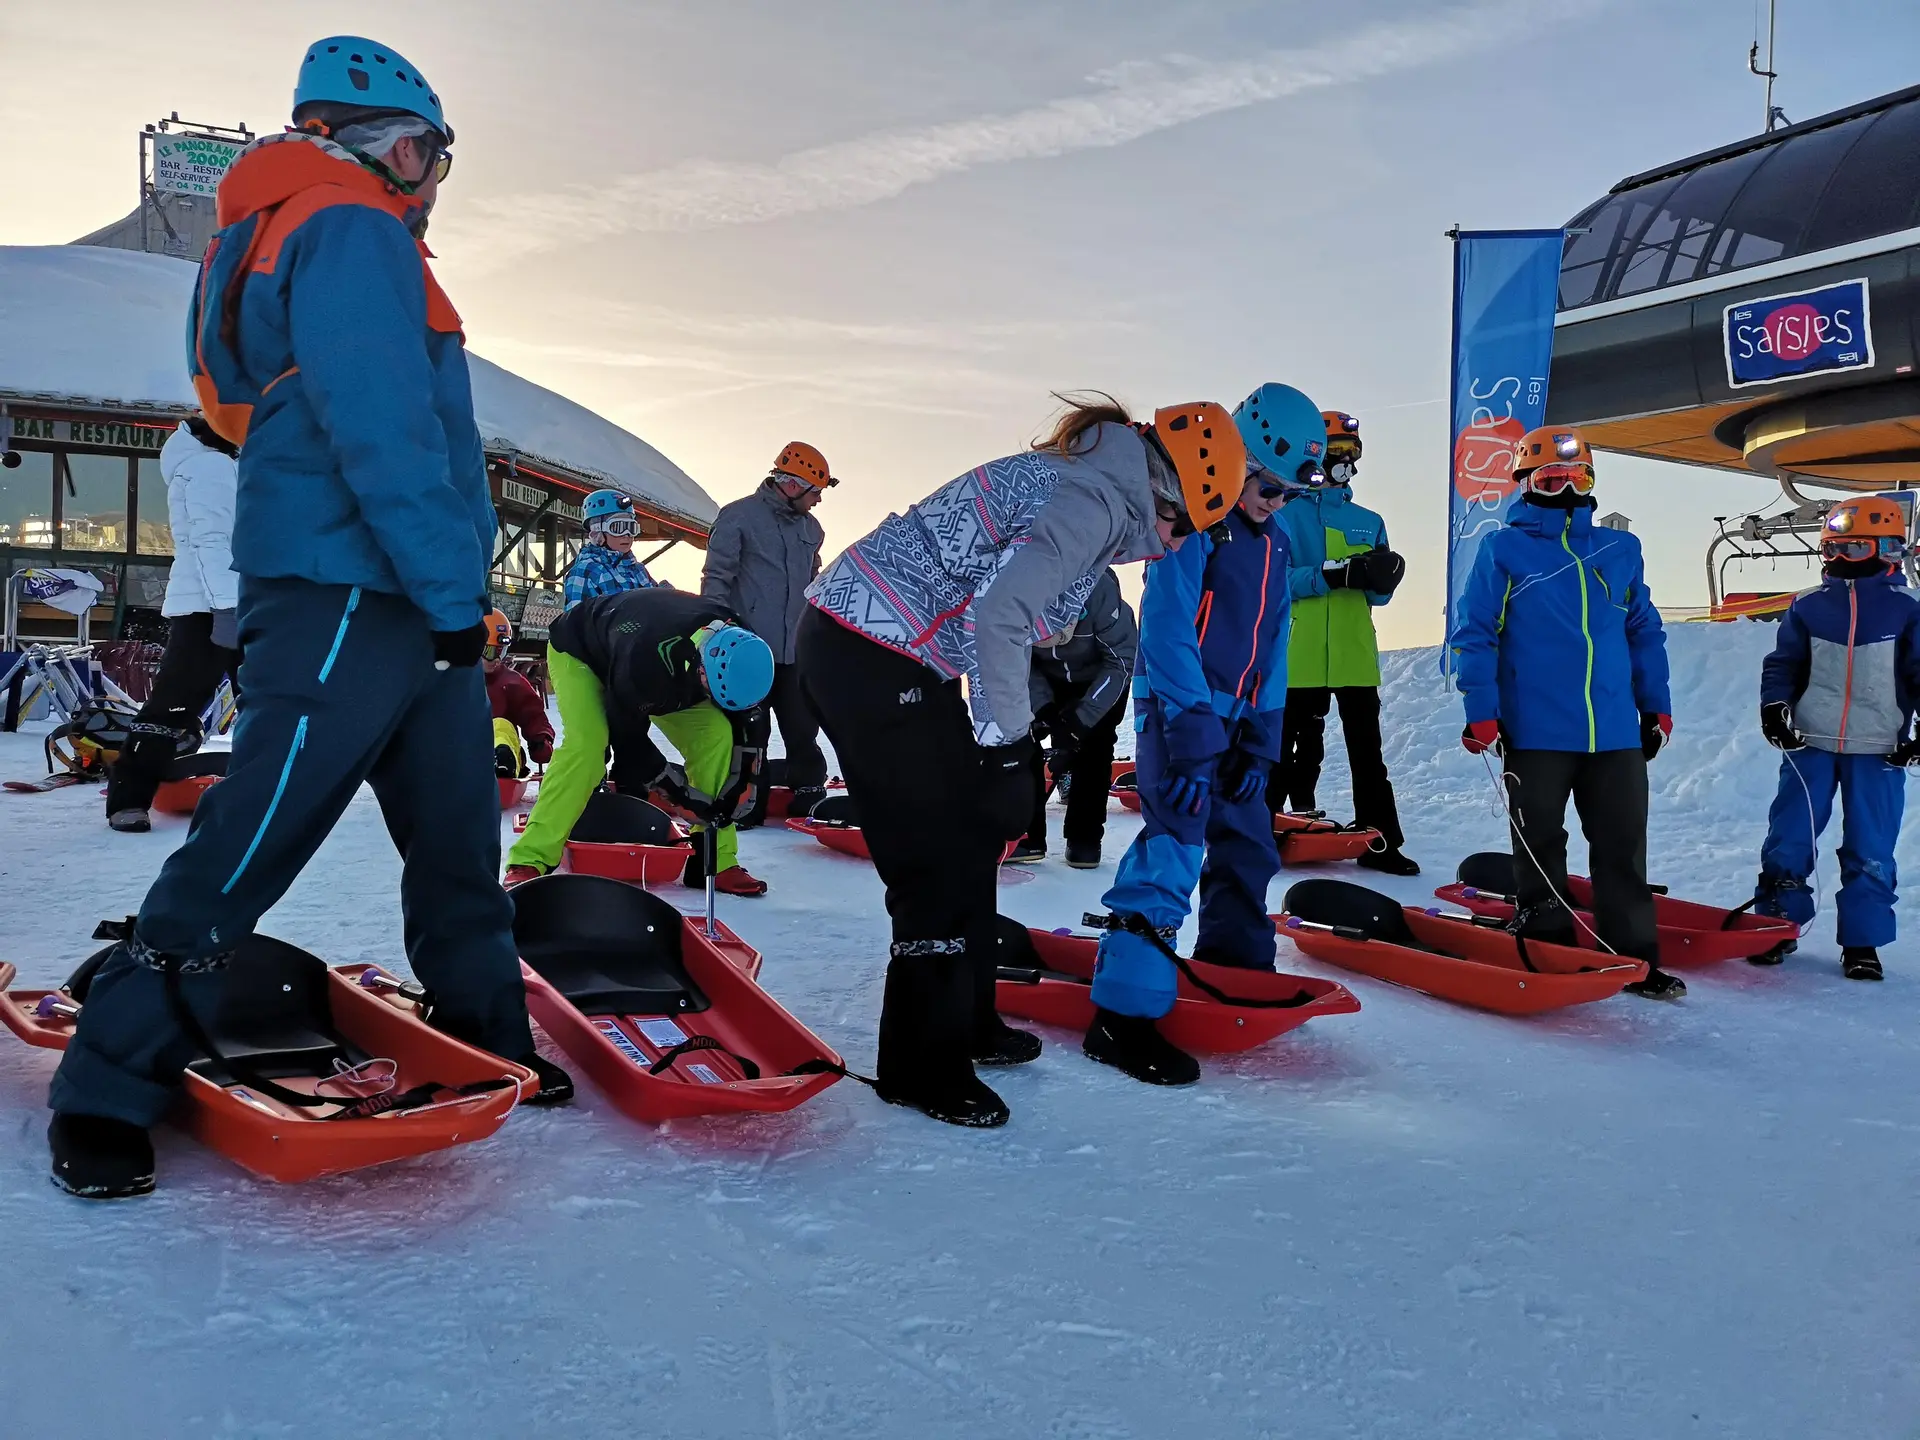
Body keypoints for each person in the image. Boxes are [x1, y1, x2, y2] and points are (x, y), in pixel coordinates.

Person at [45, 35, 573, 1200]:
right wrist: (448, 597)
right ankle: (108, 1080)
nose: (434, 179)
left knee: (454, 836)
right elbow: (378, 428)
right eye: (430, 153)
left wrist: (453, 605)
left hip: (403, 594)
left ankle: (488, 1030)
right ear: (387, 143)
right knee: (259, 830)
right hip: (351, 586)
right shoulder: (343, 225)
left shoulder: (308, 225)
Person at [801, 393, 1239, 1127]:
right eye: (1178, 525)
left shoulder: (1090, 482)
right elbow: (995, 614)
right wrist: (1007, 746)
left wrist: (1021, 709)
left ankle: (968, 1021)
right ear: (1164, 488)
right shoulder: (1093, 499)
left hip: (898, 650)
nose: (1167, 546)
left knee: (973, 837)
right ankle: (919, 1064)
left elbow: (1009, 598)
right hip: (866, 649)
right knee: (932, 857)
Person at [1087, 384, 1311, 1087]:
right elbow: (1166, 626)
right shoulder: (1197, 528)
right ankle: (1121, 1016)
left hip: (1239, 725)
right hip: (1179, 717)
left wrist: (1263, 736)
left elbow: (1275, 645)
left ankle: (1231, 973)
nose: (1276, 503)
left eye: (1290, 495)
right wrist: (1188, 722)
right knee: (1177, 841)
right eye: (1270, 486)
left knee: (1247, 846)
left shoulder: (1274, 547)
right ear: (1240, 459)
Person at [1450, 425, 1684, 1000]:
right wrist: (1483, 710)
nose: (1565, 488)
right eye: (1550, 479)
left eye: (1576, 476)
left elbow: (1643, 630)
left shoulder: (1619, 549)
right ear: (1526, 484)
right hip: (1535, 728)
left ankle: (1632, 957)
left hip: (1612, 731)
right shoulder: (1503, 548)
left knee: (1622, 846)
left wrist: (1655, 704)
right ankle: (1547, 935)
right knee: (1541, 841)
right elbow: (1475, 634)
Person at [504, 588, 776, 896]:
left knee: (717, 737)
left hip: (665, 666)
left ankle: (714, 860)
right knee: (588, 747)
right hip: (583, 651)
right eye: (711, 692)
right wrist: (680, 795)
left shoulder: (748, 649)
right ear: (702, 667)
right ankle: (531, 858)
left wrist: (744, 783)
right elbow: (630, 742)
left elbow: (752, 728)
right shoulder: (645, 662)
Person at [1751, 496, 1920, 981]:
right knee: (1789, 836)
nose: (1841, 560)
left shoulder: (1906, 608)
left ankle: (1862, 942)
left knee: (1871, 843)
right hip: (1811, 741)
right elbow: (1783, 664)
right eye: (1832, 550)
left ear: (1886, 548)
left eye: (1853, 548)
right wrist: (1774, 707)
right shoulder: (1809, 605)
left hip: (1880, 746)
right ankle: (1775, 925)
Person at [1268, 409, 1416, 874]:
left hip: (1354, 656)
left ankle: (1382, 842)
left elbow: (1379, 595)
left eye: (1352, 453)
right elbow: (1273, 582)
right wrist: (1330, 574)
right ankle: (1256, 833)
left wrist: (1384, 576)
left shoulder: (1367, 520)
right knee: (1279, 750)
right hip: (1297, 654)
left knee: (1367, 755)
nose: (1345, 462)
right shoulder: (1284, 515)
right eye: (1337, 452)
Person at [104, 415, 243, 833]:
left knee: (265, 705)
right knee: (173, 707)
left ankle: (263, 795)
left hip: (236, 601)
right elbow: (211, 541)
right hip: (212, 606)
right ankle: (128, 799)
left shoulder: (225, 462)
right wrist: (227, 608)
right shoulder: (209, 466)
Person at [701, 442, 833, 824]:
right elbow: (717, 578)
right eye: (815, 493)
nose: (817, 502)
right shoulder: (737, 517)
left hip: (795, 649)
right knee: (749, 731)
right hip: (747, 650)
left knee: (802, 723)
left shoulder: (811, 528)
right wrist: (715, 631)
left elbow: (813, 584)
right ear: (791, 486)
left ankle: (809, 791)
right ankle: (747, 803)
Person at [1014, 567, 1137, 867]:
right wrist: (1044, 709)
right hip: (1046, 679)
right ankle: (1025, 835)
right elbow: (1019, 660)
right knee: (1018, 735)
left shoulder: (1101, 592)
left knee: (1096, 746)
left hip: (1100, 677)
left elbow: (1121, 661)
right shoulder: (1016, 594)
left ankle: (1085, 839)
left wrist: (1082, 718)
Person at [481, 610, 553, 777]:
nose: (497, 660)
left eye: (502, 652)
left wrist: (540, 739)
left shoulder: (510, 682)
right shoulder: (453, 682)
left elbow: (533, 714)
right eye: (492, 652)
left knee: (499, 725)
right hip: (463, 753)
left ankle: (502, 762)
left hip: (503, 754)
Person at [563, 489, 659, 607]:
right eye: (618, 527)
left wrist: (667, 598)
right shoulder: (586, 570)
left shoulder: (638, 570)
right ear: (597, 532)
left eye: (631, 527)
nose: (627, 534)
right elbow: (575, 620)